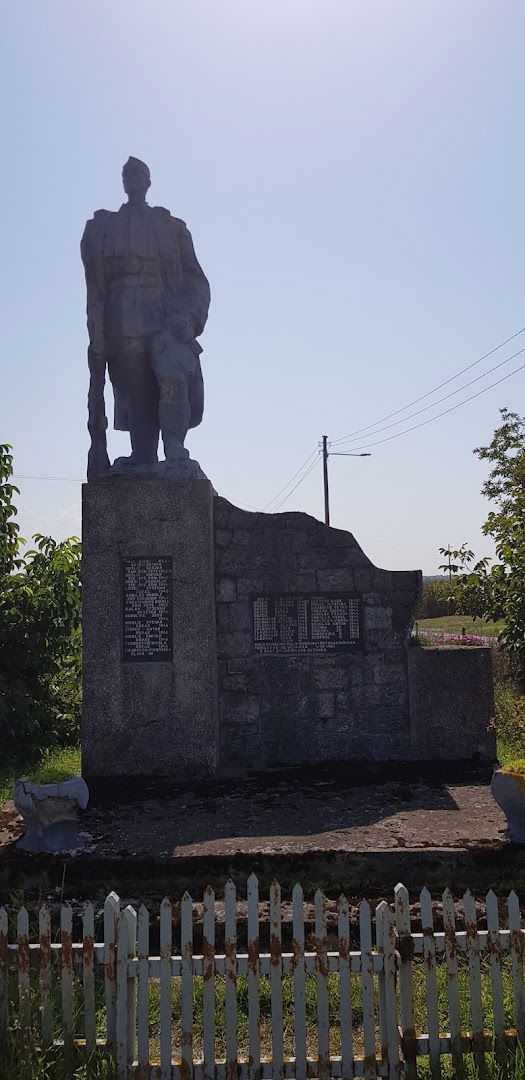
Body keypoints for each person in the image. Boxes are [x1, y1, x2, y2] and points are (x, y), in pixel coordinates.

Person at [81, 157, 210, 478]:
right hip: (121, 317)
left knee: (172, 378)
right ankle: (143, 456)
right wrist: (97, 334)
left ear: (148, 181)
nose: (131, 178)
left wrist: (190, 317)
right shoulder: (103, 227)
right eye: (127, 174)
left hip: (164, 313)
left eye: (137, 173)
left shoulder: (170, 227)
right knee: (136, 389)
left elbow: (196, 280)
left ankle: (175, 450)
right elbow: (95, 287)